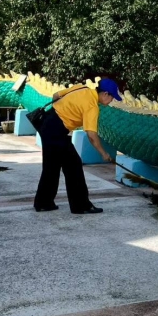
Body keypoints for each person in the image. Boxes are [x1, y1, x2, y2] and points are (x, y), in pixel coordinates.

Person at [33, 77, 121, 214]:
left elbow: (56, 95)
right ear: (105, 94)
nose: (111, 101)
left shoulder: (81, 88)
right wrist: (103, 153)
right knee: (73, 166)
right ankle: (81, 205)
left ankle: (43, 202)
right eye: (112, 97)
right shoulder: (92, 106)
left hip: (47, 122)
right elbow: (91, 135)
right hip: (57, 130)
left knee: (51, 166)